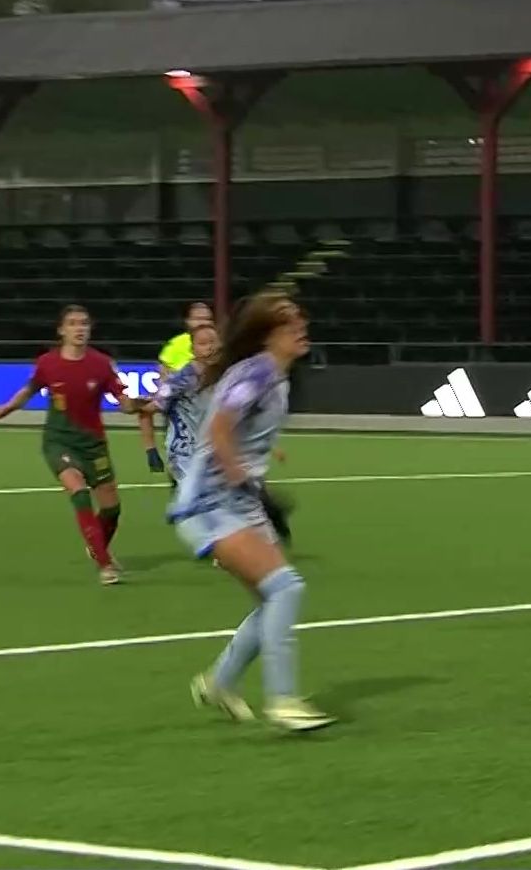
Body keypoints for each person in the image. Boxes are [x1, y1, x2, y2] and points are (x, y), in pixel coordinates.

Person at [173, 292, 331, 732]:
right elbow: (221, 426)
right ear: (266, 334)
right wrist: (236, 471)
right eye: (288, 323)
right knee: (286, 589)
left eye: (300, 318)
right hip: (212, 501)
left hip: (239, 501)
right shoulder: (259, 372)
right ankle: (282, 701)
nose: (300, 326)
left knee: (271, 599)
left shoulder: (274, 376)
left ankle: (219, 682)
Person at [0, 304, 146, 586]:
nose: (79, 328)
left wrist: (137, 405)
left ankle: (96, 545)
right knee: (79, 492)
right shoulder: (47, 363)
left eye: (84, 323)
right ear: (61, 330)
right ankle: (105, 564)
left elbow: (123, 402)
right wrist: (7, 407)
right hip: (59, 440)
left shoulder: (101, 364)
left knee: (112, 508)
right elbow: (29, 389)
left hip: (93, 444)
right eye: (73, 323)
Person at [141, 323, 219, 482]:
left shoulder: (223, 375)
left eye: (213, 342)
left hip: (211, 452)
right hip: (184, 452)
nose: (210, 348)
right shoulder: (180, 380)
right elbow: (149, 408)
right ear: (192, 349)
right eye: (203, 343)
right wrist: (151, 449)